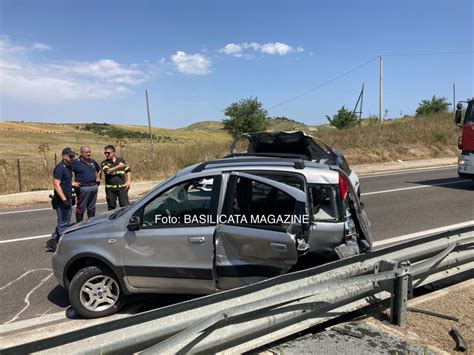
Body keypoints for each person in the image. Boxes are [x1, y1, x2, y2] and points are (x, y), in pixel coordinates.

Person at [46, 148, 80, 252]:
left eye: (73, 156)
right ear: (64, 156)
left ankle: (52, 241)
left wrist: (72, 184)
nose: (72, 158)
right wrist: (64, 199)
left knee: (65, 221)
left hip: (68, 197)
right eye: (70, 156)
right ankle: (62, 245)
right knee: (64, 223)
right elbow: (56, 185)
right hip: (61, 199)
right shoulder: (60, 168)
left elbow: (64, 182)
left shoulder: (68, 167)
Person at [71, 145, 101, 222]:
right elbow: (67, 172)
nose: (88, 154)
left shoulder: (92, 161)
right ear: (81, 153)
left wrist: (98, 177)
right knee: (81, 208)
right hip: (83, 188)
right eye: (86, 152)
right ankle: (79, 226)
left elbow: (99, 169)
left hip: (93, 187)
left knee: (91, 208)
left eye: (89, 152)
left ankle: (90, 225)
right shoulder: (76, 162)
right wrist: (71, 183)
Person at [101, 145, 131, 210]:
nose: (106, 154)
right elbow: (107, 171)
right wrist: (119, 167)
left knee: (125, 206)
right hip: (110, 190)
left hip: (122, 188)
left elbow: (128, 170)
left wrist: (128, 181)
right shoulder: (104, 163)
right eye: (105, 153)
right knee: (111, 207)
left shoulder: (121, 160)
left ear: (113, 152)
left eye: (108, 153)